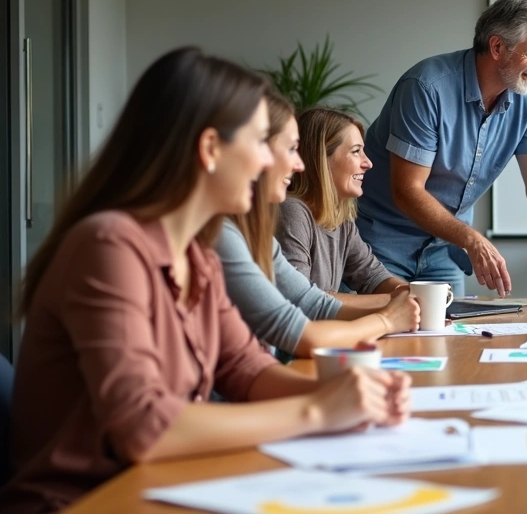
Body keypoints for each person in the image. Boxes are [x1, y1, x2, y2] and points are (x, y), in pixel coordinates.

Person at [0, 48, 410, 513]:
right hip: (87, 501)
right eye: (262, 142)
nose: (285, 164)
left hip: (167, 485)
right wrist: (316, 411)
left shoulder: (198, 253)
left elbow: (245, 369)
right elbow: (144, 426)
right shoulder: (108, 246)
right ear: (211, 148)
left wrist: (351, 392)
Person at [354, 0, 527, 302]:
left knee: (452, 344)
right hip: (381, 243)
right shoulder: (426, 87)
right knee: (380, 337)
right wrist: (471, 239)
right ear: (496, 48)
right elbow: (407, 190)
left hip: (444, 250)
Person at [215, 91, 421, 357]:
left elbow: (316, 302)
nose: (298, 164)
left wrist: (407, 301)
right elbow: (302, 319)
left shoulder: (257, 234)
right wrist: (390, 313)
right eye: (290, 150)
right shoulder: (279, 215)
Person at [278, 108, 412, 308]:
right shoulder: (293, 212)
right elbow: (302, 299)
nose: (368, 163)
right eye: (356, 151)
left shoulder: (341, 219)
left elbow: (372, 276)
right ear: (322, 158)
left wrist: (412, 296)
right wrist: (394, 301)